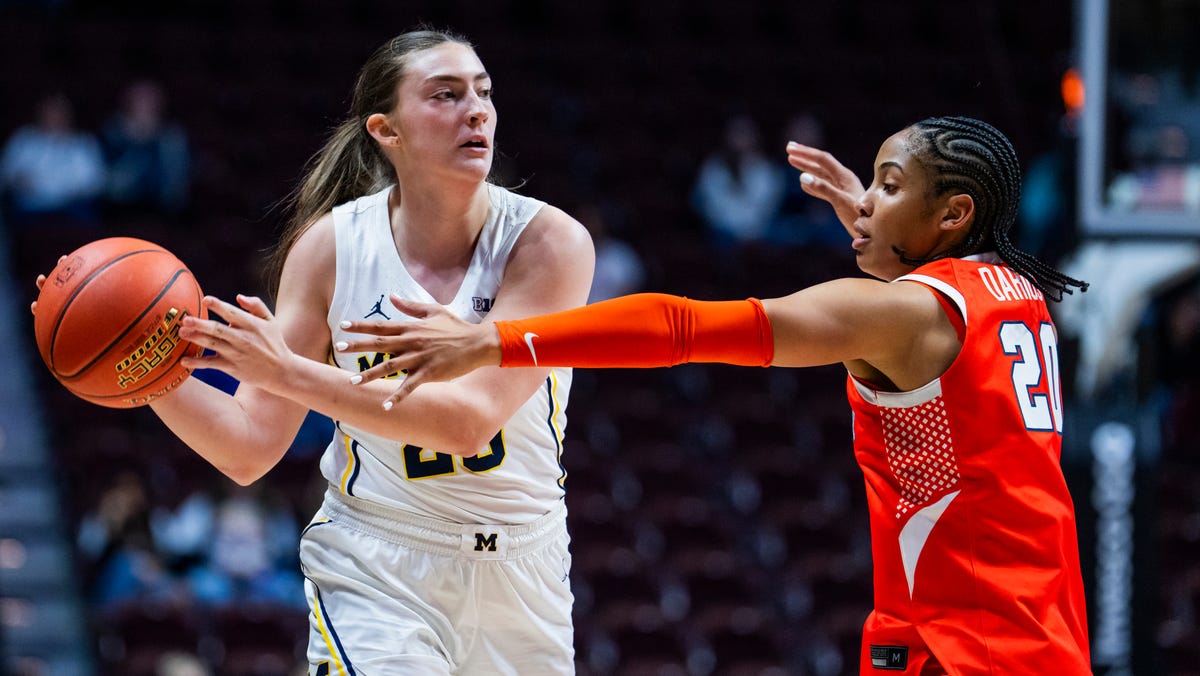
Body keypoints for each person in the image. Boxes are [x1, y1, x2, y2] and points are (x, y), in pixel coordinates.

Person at [336, 117, 1093, 674]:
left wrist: (494, 341)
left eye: (890, 188)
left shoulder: (901, 313)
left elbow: (680, 326)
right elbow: (933, 326)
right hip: (1040, 627)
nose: (866, 202)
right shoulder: (1018, 294)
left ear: (952, 214)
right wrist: (885, 223)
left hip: (965, 645)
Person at [35, 28, 594, 674]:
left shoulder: (549, 244)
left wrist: (290, 373)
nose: (476, 110)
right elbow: (248, 448)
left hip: (523, 573)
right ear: (387, 131)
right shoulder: (332, 250)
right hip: (379, 564)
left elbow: (468, 422)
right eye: (445, 95)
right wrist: (139, 359)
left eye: (484, 93)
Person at [0, 92, 106, 229]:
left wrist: (68, 192)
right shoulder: (23, 140)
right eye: (50, 110)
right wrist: (19, 181)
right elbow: (7, 174)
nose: (54, 116)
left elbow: (95, 181)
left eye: (60, 111)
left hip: (72, 207)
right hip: (31, 207)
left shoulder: (84, 142)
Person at [99, 79, 192, 216]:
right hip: (119, 205)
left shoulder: (172, 136)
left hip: (162, 206)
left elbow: (177, 176)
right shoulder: (113, 132)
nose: (145, 105)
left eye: (150, 100)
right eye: (140, 100)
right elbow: (106, 177)